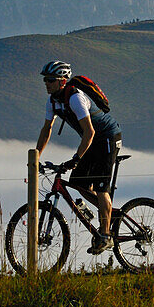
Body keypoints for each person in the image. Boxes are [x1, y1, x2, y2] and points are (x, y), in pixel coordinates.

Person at [35, 60, 123, 254]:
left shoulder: (75, 98)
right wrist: (35, 157)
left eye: (50, 80)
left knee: (101, 187)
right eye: (45, 80)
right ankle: (107, 213)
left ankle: (106, 235)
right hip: (91, 141)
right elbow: (46, 129)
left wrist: (76, 158)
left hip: (107, 137)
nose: (46, 83)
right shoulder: (53, 101)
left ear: (62, 81)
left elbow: (89, 132)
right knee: (78, 183)